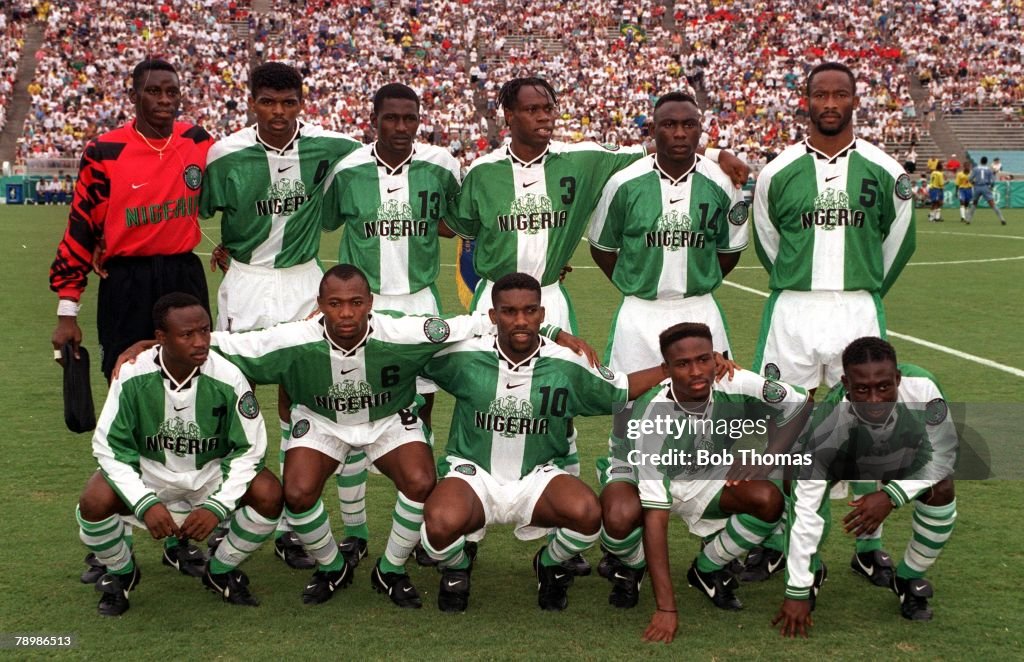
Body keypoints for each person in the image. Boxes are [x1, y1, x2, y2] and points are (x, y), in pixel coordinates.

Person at [119, 265, 587, 608]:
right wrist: (155, 342)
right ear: (320, 305)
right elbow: (229, 343)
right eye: (335, 303)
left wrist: (554, 332)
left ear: (371, 302)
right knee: (297, 492)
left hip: (387, 419)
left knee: (422, 481)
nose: (347, 313)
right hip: (321, 420)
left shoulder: (405, 332)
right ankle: (331, 565)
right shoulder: (294, 338)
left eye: (356, 302)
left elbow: (485, 321)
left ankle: (390, 569)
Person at [748, 61, 915, 579]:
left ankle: (867, 547)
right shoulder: (777, 172)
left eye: (839, 94)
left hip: (856, 308)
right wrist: (803, 281)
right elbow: (767, 241)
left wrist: (860, 286)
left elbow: (898, 243)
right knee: (783, 422)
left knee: (870, 426)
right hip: (793, 308)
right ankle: (778, 539)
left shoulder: (886, 170)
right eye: (820, 94)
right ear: (806, 100)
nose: (829, 103)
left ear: (854, 100)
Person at [418, 273, 665, 613]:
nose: (520, 320)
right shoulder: (464, 356)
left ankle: (549, 563)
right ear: (492, 316)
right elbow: (410, 349)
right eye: (509, 312)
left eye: (530, 311)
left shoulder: (566, 363)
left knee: (588, 514)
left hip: (538, 475)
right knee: (438, 524)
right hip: (473, 473)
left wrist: (675, 368)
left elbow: (621, 389)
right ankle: (457, 567)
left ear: (542, 313)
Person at [587, 91, 749, 600]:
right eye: (669, 125)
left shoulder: (720, 181)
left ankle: (710, 535)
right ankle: (628, 554)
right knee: (632, 412)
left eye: (688, 125)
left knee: (715, 408)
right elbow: (603, 247)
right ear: (652, 129)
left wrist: (692, 286)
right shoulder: (625, 182)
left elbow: (730, 250)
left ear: (700, 128)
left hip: (700, 309)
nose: (679, 133)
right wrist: (642, 286)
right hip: (641, 313)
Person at [199, 61, 361, 570]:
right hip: (246, 280)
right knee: (228, 391)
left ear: (301, 102)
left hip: (302, 282)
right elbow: (198, 213)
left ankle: (295, 522)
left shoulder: (333, 147)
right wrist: (222, 250)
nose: (277, 112)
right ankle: (224, 507)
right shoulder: (225, 154)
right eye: (267, 102)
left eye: (288, 102)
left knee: (303, 396)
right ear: (251, 102)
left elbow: (376, 168)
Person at [448, 77, 749, 334]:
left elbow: (660, 146)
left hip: (548, 296)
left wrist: (716, 153)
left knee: (557, 390)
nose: (544, 117)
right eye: (532, 110)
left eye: (548, 109)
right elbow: (463, 232)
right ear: (509, 115)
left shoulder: (584, 159)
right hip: (494, 298)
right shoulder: (482, 171)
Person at [321, 83, 461, 566]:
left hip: (421, 303)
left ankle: (425, 527)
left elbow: (455, 221)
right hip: (363, 309)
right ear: (374, 118)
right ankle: (356, 531)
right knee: (353, 414)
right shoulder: (349, 170)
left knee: (420, 419)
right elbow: (323, 221)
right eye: (391, 118)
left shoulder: (441, 165)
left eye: (410, 118)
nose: (401, 127)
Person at [75, 293, 283, 616]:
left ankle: (220, 570)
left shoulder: (229, 377)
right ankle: (121, 572)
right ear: (160, 338)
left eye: (205, 330)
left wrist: (217, 505)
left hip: (209, 474)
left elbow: (251, 450)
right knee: (94, 499)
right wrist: (144, 502)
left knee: (269, 492)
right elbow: (108, 447)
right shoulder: (131, 374)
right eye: (188, 334)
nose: (200, 341)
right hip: (151, 474)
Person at [622, 323, 811, 642]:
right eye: (683, 364)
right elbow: (657, 517)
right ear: (666, 370)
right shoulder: (653, 416)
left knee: (769, 500)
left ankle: (706, 568)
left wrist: (767, 458)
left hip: (706, 475)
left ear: (717, 358)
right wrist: (667, 609)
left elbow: (801, 403)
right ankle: (627, 561)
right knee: (620, 517)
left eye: (704, 359)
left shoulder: (735, 381)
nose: (697, 371)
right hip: (649, 480)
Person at [773, 337, 957, 636]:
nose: (874, 400)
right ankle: (813, 570)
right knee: (794, 480)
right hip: (846, 453)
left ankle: (908, 579)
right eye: (862, 389)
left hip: (902, 448)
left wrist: (890, 495)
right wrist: (796, 590)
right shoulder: (828, 424)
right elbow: (806, 511)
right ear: (846, 384)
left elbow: (944, 452)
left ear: (898, 378)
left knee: (942, 488)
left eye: (884, 387)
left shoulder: (923, 388)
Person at [50, 58, 213, 382]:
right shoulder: (104, 151)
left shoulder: (198, 140)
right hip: (127, 280)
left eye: (172, 92)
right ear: (133, 95)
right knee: (124, 374)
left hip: (183, 274)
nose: (164, 100)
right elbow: (80, 229)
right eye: (153, 91)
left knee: (193, 376)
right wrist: (67, 313)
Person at [967, 156, 1007, 225]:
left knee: (974, 203)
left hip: (977, 187)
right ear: (986, 162)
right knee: (992, 203)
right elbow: (992, 180)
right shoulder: (989, 170)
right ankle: (1002, 219)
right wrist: (991, 186)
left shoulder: (976, 169)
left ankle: (969, 220)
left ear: (980, 161)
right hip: (985, 187)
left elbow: (970, 178)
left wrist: (973, 183)